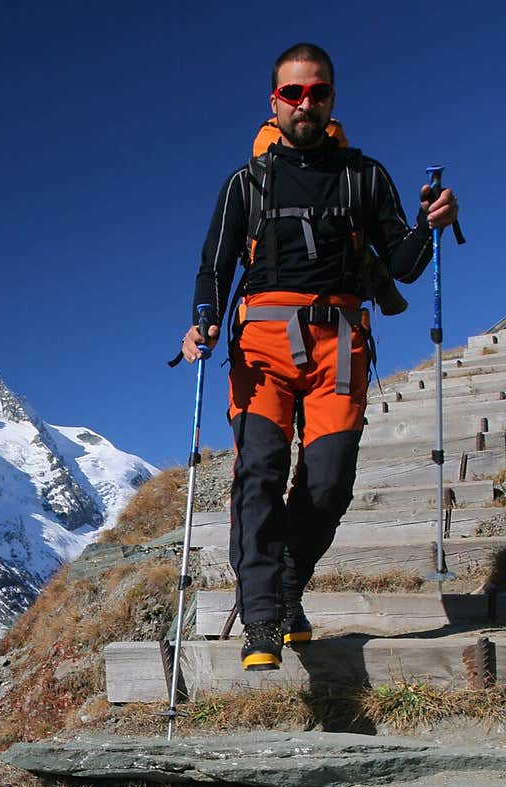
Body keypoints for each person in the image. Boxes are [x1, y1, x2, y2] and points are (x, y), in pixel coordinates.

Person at [181, 41, 459, 669]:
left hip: (341, 343)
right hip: (261, 348)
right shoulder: (243, 185)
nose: (305, 103)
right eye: (293, 93)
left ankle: (281, 590)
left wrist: (430, 223)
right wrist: (201, 323)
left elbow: (405, 265)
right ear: (274, 101)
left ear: (332, 98)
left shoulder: (366, 176)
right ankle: (261, 620)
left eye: (318, 92)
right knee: (260, 473)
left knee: (329, 484)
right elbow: (214, 268)